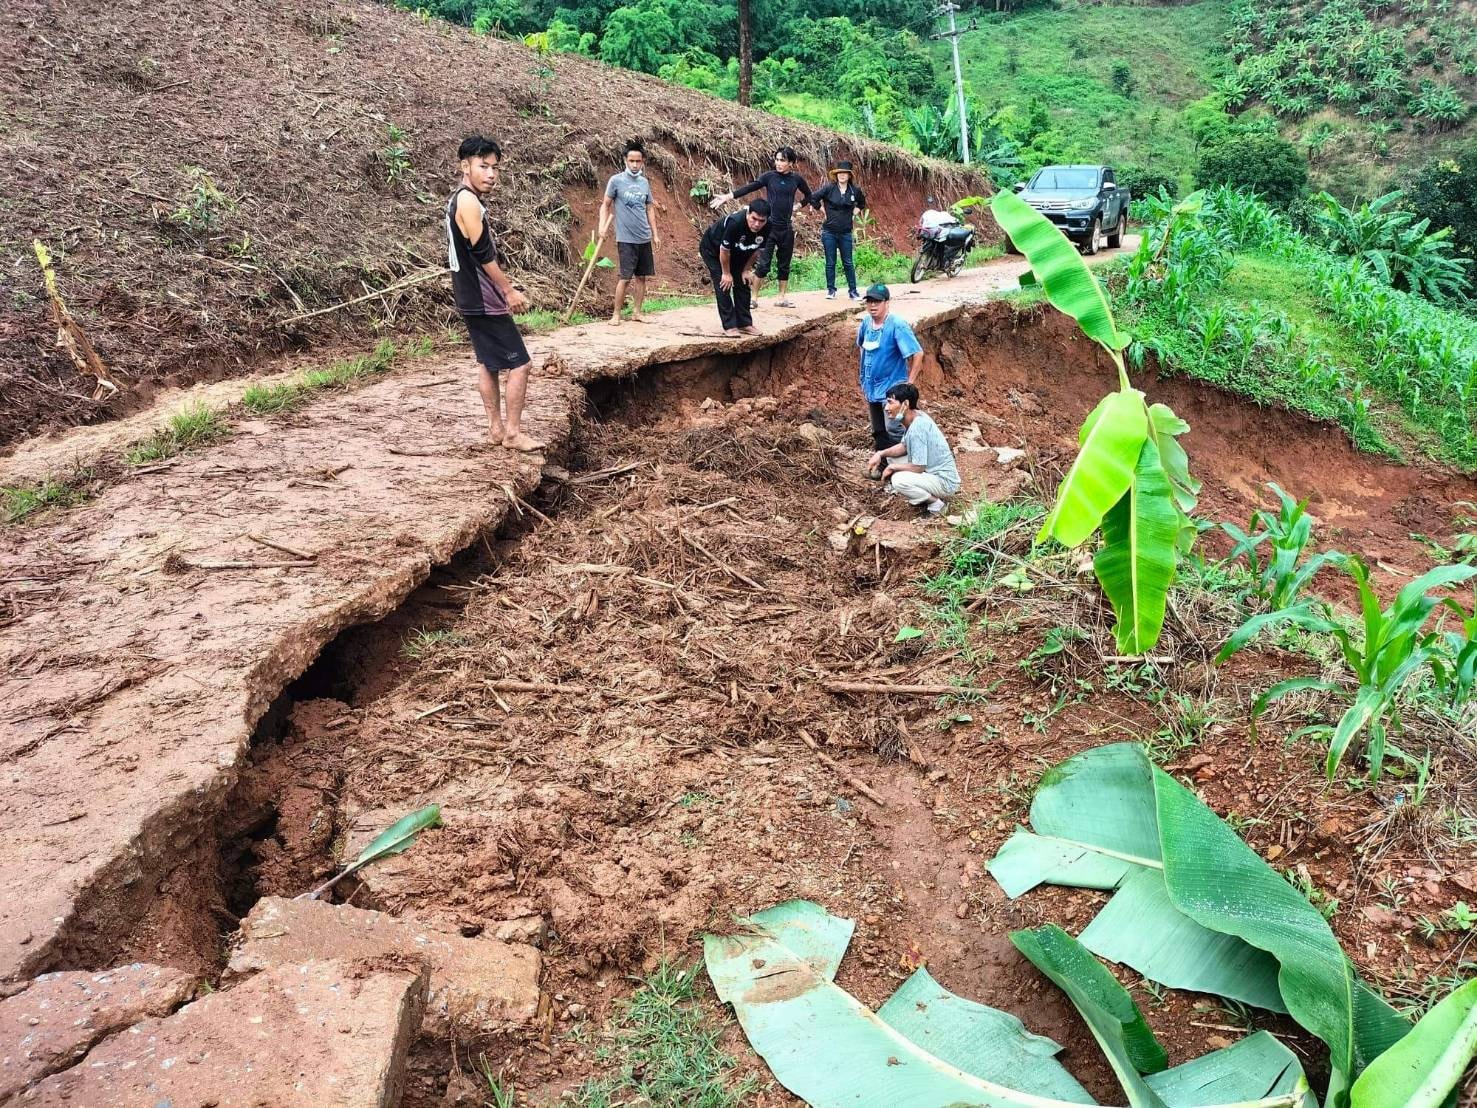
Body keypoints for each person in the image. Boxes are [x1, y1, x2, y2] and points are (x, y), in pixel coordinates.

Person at [446, 135, 542, 452]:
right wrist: (508, 290)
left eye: (494, 168)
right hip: (484, 298)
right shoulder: (468, 202)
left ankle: (496, 429)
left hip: (469, 295)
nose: (491, 174)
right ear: (465, 166)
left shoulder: (459, 199)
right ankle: (513, 433)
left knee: (488, 363)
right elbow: (484, 255)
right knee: (520, 364)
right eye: (483, 166)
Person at [708, 146, 812, 307]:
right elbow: (751, 187)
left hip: (786, 228)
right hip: (769, 228)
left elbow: (809, 195)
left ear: (791, 163)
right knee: (763, 264)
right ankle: (754, 299)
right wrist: (728, 196)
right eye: (777, 160)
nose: (778, 163)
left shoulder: (796, 179)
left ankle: (781, 298)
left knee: (784, 264)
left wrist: (798, 205)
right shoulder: (769, 177)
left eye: (783, 160)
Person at [868, 382, 960, 515]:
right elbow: (904, 446)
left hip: (944, 482)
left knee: (899, 480)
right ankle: (921, 494)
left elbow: (919, 467)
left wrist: (892, 468)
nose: (886, 408)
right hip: (932, 474)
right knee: (891, 457)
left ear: (905, 404)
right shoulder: (916, 417)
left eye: (890, 403)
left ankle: (936, 504)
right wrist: (880, 454)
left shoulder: (918, 427)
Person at [856, 283, 923, 453]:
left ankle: (905, 462)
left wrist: (909, 384)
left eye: (877, 301)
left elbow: (917, 353)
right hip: (872, 388)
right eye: (869, 301)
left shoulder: (897, 325)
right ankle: (883, 462)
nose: (872, 305)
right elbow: (861, 346)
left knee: (894, 429)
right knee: (878, 430)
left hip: (892, 388)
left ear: (887, 302)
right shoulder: (866, 323)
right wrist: (863, 375)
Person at [599, 141, 659, 327]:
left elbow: (650, 208)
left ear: (643, 162)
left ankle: (637, 312)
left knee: (641, 277)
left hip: (644, 237)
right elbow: (605, 205)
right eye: (631, 161)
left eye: (638, 161)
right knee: (625, 278)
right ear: (625, 160)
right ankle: (616, 315)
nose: (634, 165)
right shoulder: (616, 181)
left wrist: (655, 234)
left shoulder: (644, 183)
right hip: (626, 239)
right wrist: (602, 226)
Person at [698, 199, 771, 336]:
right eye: (754, 219)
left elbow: (757, 250)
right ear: (748, 214)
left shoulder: (768, 226)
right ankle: (729, 325)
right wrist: (726, 273)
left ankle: (744, 323)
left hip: (738, 251)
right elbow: (724, 250)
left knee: (743, 281)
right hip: (713, 249)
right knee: (723, 284)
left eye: (762, 221)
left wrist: (746, 269)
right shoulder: (735, 223)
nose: (757, 224)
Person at [807, 160, 868, 300]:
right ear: (836, 174)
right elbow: (813, 198)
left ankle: (853, 291)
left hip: (846, 232)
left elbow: (862, 203)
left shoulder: (854, 191)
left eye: (845, 173)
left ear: (849, 175)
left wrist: (854, 213)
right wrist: (822, 210)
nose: (842, 175)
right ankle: (831, 290)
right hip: (829, 232)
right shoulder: (829, 188)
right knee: (830, 262)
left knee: (848, 262)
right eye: (840, 173)